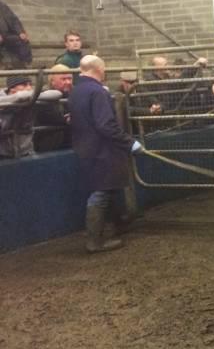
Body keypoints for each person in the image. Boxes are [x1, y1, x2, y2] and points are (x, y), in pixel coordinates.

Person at [69, 55, 142, 253]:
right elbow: (106, 124)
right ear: (99, 70)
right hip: (101, 149)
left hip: (84, 147)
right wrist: (129, 143)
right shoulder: (97, 91)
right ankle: (95, 241)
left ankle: (118, 223)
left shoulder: (75, 91)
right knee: (101, 191)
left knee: (106, 188)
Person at [1, 75, 62, 158]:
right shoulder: (3, 98)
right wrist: (16, 99)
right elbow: (19, 96)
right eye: (24, 85)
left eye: (30, 84)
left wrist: (30, 96)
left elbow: (57, 94)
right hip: (3, 153)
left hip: (27, 151)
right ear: (12, 88)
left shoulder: (31, 97)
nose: (29, 88)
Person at [34, 65, 74, 152]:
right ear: (52, 81)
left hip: (68, 141)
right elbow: (50, 117)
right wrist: (68, 119)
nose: (68, 82)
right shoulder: (43, 95)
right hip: (49, 143)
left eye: (70, 79)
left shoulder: (72, 93)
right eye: (63, 79)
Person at [0, 0, 32, 67]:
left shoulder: (3, 6)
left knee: (22, 40)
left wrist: (20, 32)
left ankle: (25, 64)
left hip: (7, 35)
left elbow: (14, 20)